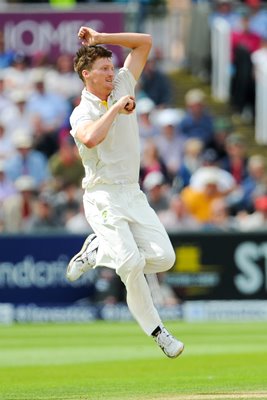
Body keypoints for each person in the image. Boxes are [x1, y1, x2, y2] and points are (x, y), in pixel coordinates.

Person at [66, 26, 184, 359]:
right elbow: (90, 139)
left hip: (133, 192)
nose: (111, 73)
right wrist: (117, 107)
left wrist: (101, 39)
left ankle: (96, 251)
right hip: (102, 195)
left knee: (164, 258)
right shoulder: (83, 111)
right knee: (130, 262)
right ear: (86, 75)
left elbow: (145, 42)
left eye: (111, 67)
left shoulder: (120, 84)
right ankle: (159, 333)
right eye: (103, 69)